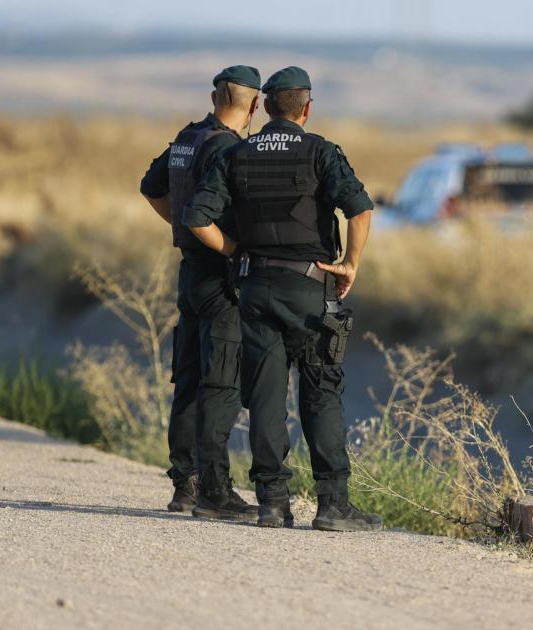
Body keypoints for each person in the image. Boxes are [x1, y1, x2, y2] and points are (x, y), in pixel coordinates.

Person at [183, 66, 382, 531]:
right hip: (311, 288)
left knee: (267, 396)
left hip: (254, 289)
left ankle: (273, 502)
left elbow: (197, 217)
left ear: (265, 106)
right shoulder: (321, 152)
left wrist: (236, 254)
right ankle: (333, 504)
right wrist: (350, 263)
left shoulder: (238, 152)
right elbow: (360, 209)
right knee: (321, 394)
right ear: (307, 108)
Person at [139, 65, 261, 521]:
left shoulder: (188, 139)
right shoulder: (230, 149)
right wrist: (229, 247)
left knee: (187, 380)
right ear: (254, 105)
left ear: (215, 98)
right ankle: (214, 489)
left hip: (189, 273)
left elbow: (150, 189)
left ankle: (184, 486)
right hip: (219, 276)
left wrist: (184, 226)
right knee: (220, 382)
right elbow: (198, 217)